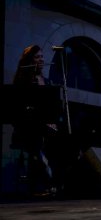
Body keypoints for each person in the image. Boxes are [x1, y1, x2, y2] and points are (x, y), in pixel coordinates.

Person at [11, 45, 63, 197]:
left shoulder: (46, 81)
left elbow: (52, 107)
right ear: (29, 60)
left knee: (63, 138)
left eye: (42, 56)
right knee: (37, 141)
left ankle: (56, 181)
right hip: (28, 126)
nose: (41, 59)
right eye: (37, 57)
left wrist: (53, 121)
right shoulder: (22, 81)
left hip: (46, 126)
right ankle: (45, 182)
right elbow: (20, 109)